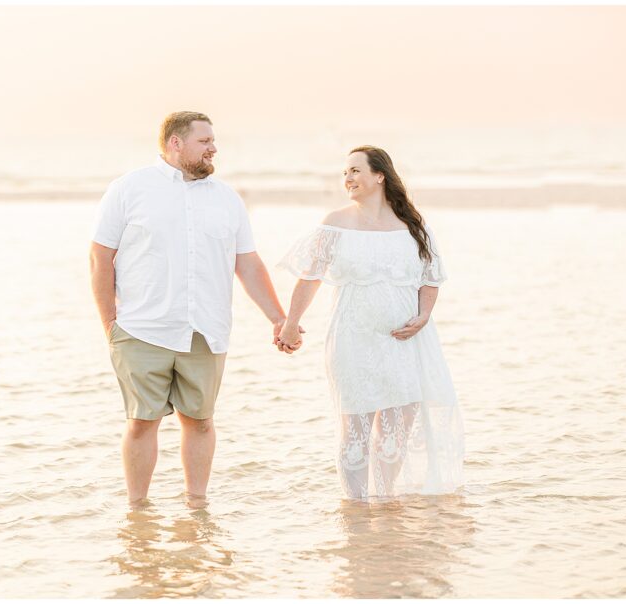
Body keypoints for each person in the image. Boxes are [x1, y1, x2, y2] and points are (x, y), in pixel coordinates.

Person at [90, 111, 296, 506]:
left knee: (200, 422)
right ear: (175, 143)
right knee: (141, 423)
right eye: (205, 141)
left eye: (213, 141)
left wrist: (278, 317)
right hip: (140, 328)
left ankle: (197, 506)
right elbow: (100, 257)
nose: (213, 148)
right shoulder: (129, 189)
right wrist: (109, 324)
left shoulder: (226, 198)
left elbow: (248, 263)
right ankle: (138, 510)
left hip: (206, 329)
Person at [276, 146, 464, 500]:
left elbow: (431, 278)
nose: (347, 178)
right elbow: (310, 277)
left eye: (355, 171)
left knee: (396, 432)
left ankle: (385, 501)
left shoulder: (412, 225)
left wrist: (424, 315)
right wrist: (290, 323)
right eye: (345, 172)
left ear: (379, 175)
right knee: (356, 429)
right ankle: (357, 506)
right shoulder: (335, 223)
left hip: (404, 341)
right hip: (352, 338)